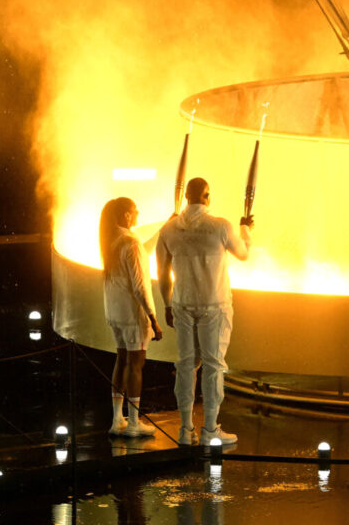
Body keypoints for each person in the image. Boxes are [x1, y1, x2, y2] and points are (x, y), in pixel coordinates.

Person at [157, 177, 252, 446]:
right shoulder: (220, 226)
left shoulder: (169, 229)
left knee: (186, 365)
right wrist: (245, 230)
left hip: (182, 305)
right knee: (213, 366)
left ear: (186, 196)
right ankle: (210, 429)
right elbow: (243, 254)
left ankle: (185, 429)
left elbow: (162, 273)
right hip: (215, 306)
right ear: (207, 196)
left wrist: (167, 304)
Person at [99, 197, 163, 437]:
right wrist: (153, 318)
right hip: (132, 313)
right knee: (136, 365)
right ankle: (134, 423)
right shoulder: (130, 243)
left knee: (121, 360)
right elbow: (139, 286)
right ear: (126, 215)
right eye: (135, 210)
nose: (138, 213)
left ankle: (118, 419)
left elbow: (143, 250)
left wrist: (163, 229)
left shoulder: (111, 240)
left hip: (114, 312)